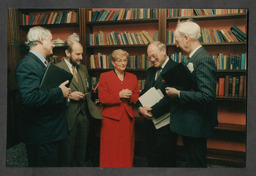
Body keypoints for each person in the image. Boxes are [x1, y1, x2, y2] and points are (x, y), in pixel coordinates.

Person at [15, 26, 71, 167]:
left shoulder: (43, 63)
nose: (53, 44)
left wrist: (62, 94)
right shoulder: (27, 65)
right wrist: (59, 92)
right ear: (41, 40)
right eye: (51, 40)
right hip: (42, 136)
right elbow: (29, 98)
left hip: (52, 132)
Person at [165, 19, 218, 167]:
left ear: (186, 38)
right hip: (190, 123)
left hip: (197, 124)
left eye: (177, 41)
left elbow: (207, 96)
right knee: (192, 162)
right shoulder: (194, 57)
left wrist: (179, 93)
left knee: (196, 164)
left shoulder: (203, 59)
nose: (177, 45)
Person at [56, 36, 103, 167]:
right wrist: (69, 96)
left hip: (84, 116)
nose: (81, 57)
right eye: (77, 54)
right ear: (67, 53)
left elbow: (86, 88)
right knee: (67, 155)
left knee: (81, 154)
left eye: (81, 53)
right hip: (67, 117)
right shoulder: (57, 68)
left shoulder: (82, 68)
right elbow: (51, 95)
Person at [137, 41, 179, 167]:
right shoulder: (150, 71)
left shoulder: (176, 68)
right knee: (152, 159)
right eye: (149, 57)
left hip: (167, 125)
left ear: (163, 51)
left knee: (166, 161)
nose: (152, 60)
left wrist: (152, 111)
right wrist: (140, 109)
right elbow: (144, 92)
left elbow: (171, 98)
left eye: (154, 56)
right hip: (149, 124)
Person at [98, 49, 140, 167]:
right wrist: (118, 95)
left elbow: (136, 96)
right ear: (113, 62)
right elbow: (102, 98)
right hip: (110, 119)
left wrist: (131, 97)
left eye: (125, 60)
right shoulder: (105, 76)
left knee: (126, 148)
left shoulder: (133, 77)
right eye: (119, 60)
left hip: (127, 118)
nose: (123, 63)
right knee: (110, 148)